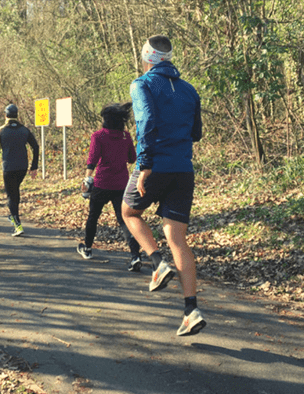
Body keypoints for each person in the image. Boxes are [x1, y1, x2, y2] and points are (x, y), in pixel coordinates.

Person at [122, 35, 205, 336]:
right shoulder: (189, 89)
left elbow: (145, 124)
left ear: (147, 57)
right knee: (177, 238)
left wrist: (144, 165)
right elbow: (196, 132)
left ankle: (157, 264)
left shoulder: (141, 84)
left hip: (156, 165)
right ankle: (191, 310)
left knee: (129, 213)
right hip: (183, 169)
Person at [77, 103, 142, 271]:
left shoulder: (98, 136)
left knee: (93, 216)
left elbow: (92, 158)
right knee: (124, 220)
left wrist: (87, 178)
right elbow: (132, 159)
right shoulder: (125, 136)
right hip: (121, 184)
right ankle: (135, 255)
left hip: (101, 183)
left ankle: (88, 248)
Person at [0, 104, 39, 236]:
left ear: (5, 115)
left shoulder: (0, 131)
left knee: (11, 195)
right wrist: (34, 166)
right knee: (15, 192)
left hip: (8, 167)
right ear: (17, 115)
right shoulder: (25, 130)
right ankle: (13, 215)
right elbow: (35, 147)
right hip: (22, 167)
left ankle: (17, 224)